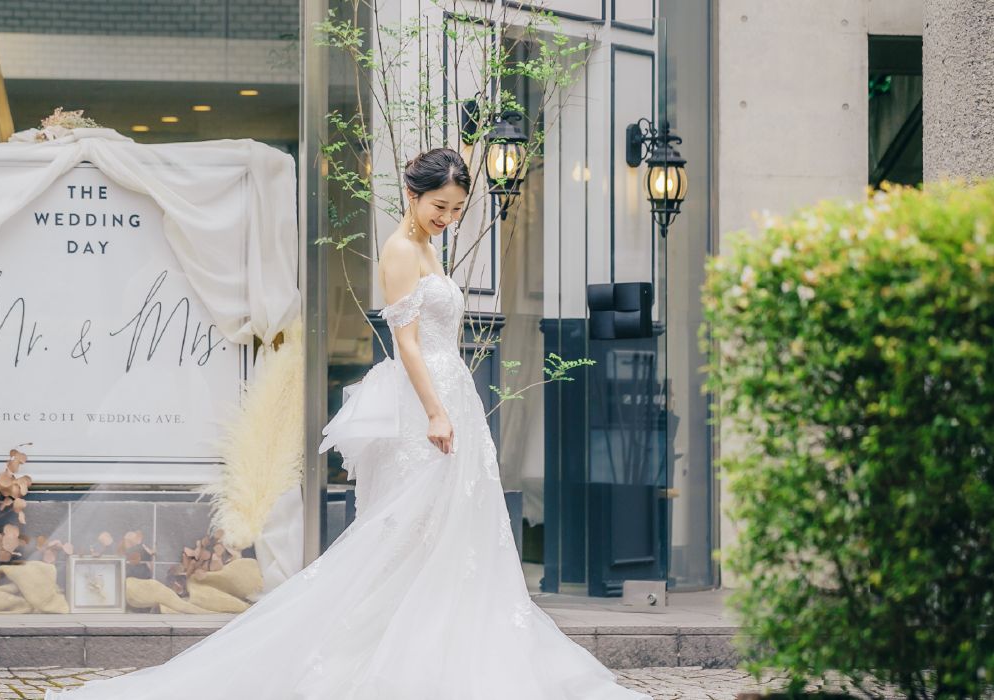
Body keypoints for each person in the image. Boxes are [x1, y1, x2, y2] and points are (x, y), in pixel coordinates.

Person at [45, 148, 650, 699]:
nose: (449, 216)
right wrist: (436, 409)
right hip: (426, 402)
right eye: (441, 205)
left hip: (450, 393)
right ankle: (368, 649)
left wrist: (452, 398)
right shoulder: (398, 249)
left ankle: (435, 642)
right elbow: (406, 343)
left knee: (449, 530)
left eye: (458, 208)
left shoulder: (428, 247)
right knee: (404, 530)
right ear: (413, 195)